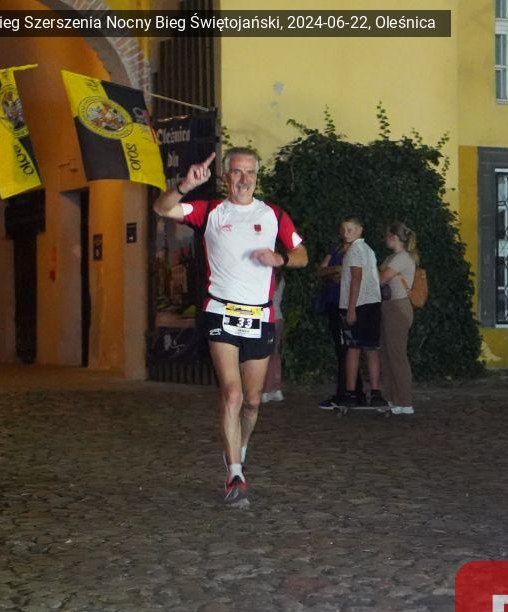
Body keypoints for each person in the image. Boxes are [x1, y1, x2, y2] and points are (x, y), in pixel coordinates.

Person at [153, 148, 308, 508]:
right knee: (233, 394)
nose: (243, 179)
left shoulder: (273, 215)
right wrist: (184, 186)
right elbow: (162, 209)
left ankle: (240, 448)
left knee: (252, 402)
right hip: (220, 312)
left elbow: (302, 255)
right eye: (237, 172)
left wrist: (281, 258)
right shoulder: (210, 211)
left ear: (257, 176)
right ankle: (234, 473)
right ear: (225, 177)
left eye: (250, 172)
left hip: (260, 317)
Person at [336, 216, 386, 409]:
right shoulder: (369, 250)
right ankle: (375, 391)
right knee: (372, 348)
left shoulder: (354, 251)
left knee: (353, 348)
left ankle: (350, 392)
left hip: (358, 305)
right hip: (373, 303)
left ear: (359, 230)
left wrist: (351, 308)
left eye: (350, 229)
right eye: (344, 230)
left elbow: (356, 279)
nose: (346, 233)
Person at [316, 229, 363, 409]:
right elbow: (321, 270)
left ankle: (346, 393)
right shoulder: (336, 250)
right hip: (333, 304)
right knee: (342, 349)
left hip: (347, 305)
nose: (346, 233)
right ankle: (354, 390)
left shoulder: (358, 252)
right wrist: (335, 270)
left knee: (347, 349)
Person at [378, 222, 418, 415]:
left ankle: (404, 401)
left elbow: (382, 278)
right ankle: (393, 398)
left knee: (397, 354)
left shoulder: (402, 258)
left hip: (397, 308)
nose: (385, 239)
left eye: (387, 235)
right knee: (387, 354)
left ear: (394, 237)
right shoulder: (393, 257)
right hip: (389, 306)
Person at [261, 270, 285, 403]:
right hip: (277, 317)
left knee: (266, 354)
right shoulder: (280, 278)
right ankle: (275, 387)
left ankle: (267, 389)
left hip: (268, 318)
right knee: (274, 353)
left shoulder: (267, 277)